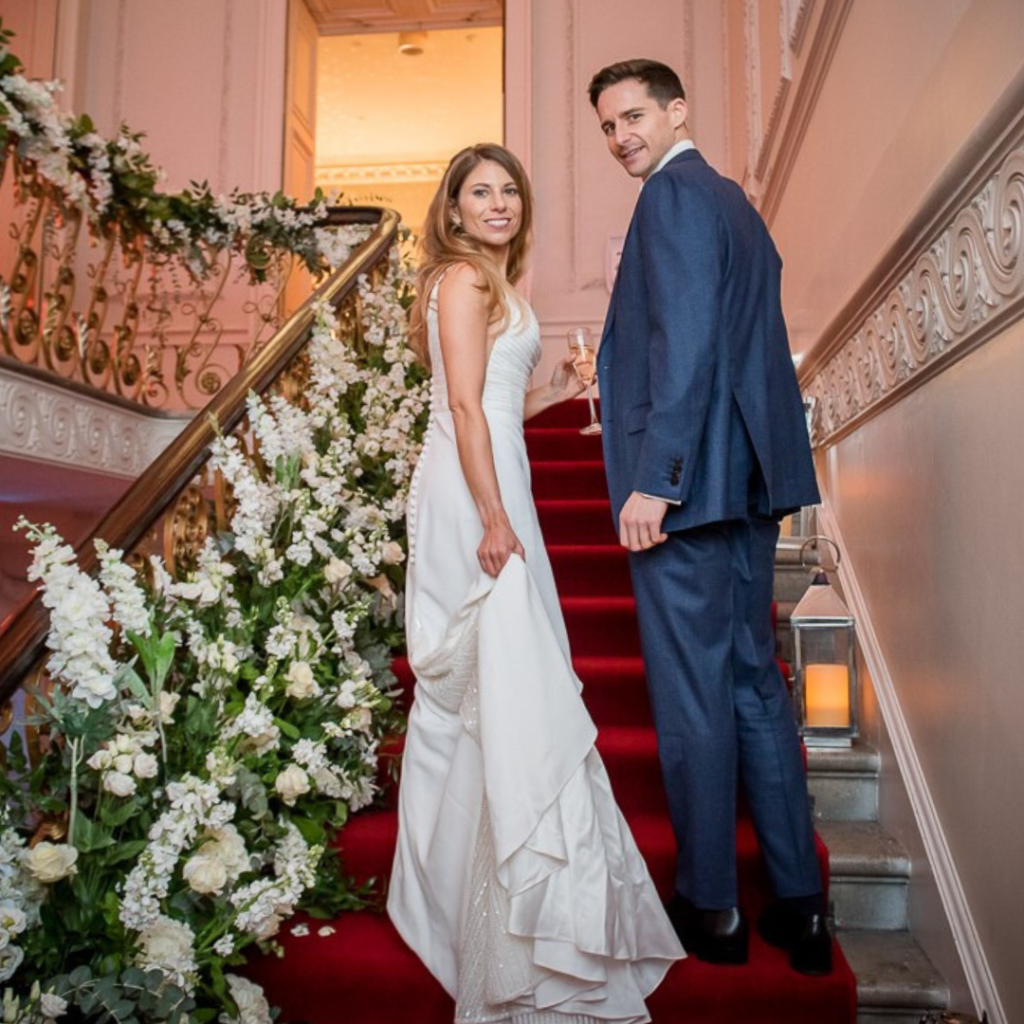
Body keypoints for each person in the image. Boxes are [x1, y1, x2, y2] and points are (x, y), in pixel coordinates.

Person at [387, 143, 684, 1024]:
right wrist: (491, 516)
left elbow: (495, 403)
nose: (498, 203)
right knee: (500, 685)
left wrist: (552, 386)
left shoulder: (494, 286)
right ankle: (471, 904)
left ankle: (491, 898)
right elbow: (465, 411)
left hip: (494, 479)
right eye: (480, 192)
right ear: (451, 208)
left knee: (507, 691)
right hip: (469, 495)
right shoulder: (462, 282)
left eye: (509, 190)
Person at [587, 60, 833, 976]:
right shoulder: (736, 205)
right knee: (754, 689)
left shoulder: (672, 199)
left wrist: (659, 479)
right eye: (608, 127)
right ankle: (802, 909)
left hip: (689, 500)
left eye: (634, 116)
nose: (621, 138)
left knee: (695, 701)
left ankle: (712, 908)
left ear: (678, 108)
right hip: (748, 490)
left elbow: (687, 344)